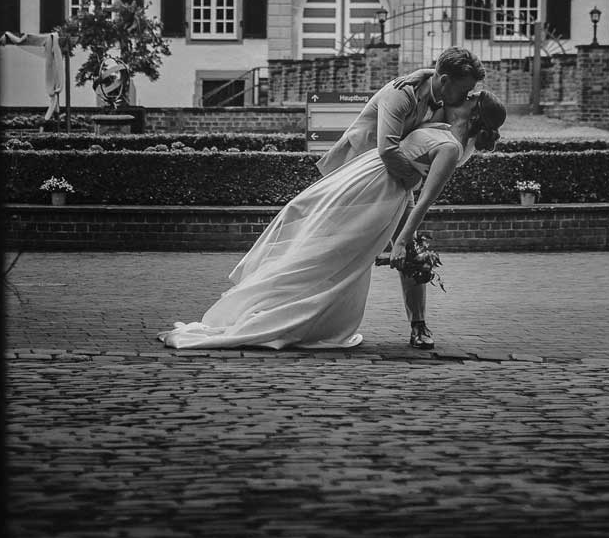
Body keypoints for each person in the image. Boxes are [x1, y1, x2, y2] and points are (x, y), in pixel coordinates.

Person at [158, 87, 506, 352]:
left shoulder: (450, 148)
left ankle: (414, 324)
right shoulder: (438, 114)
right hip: (365, 176)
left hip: (381, 190)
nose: (466, 94)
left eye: (472, 96)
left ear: (473, 114)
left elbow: (426, 200)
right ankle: (268, 307)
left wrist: (402, 238)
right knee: (311, 236)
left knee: (335, 253)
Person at [317, 46, 486, 348]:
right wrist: (416, 179)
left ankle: (418, 325)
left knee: (411, 248)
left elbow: (464, 120)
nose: (465, 96)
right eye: (463, 89)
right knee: (333, 250)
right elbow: (387, 149)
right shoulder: (401, 93)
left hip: (393, 180)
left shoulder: (443, 96)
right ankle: (310, 314)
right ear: (445, 80)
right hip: (355, 176)